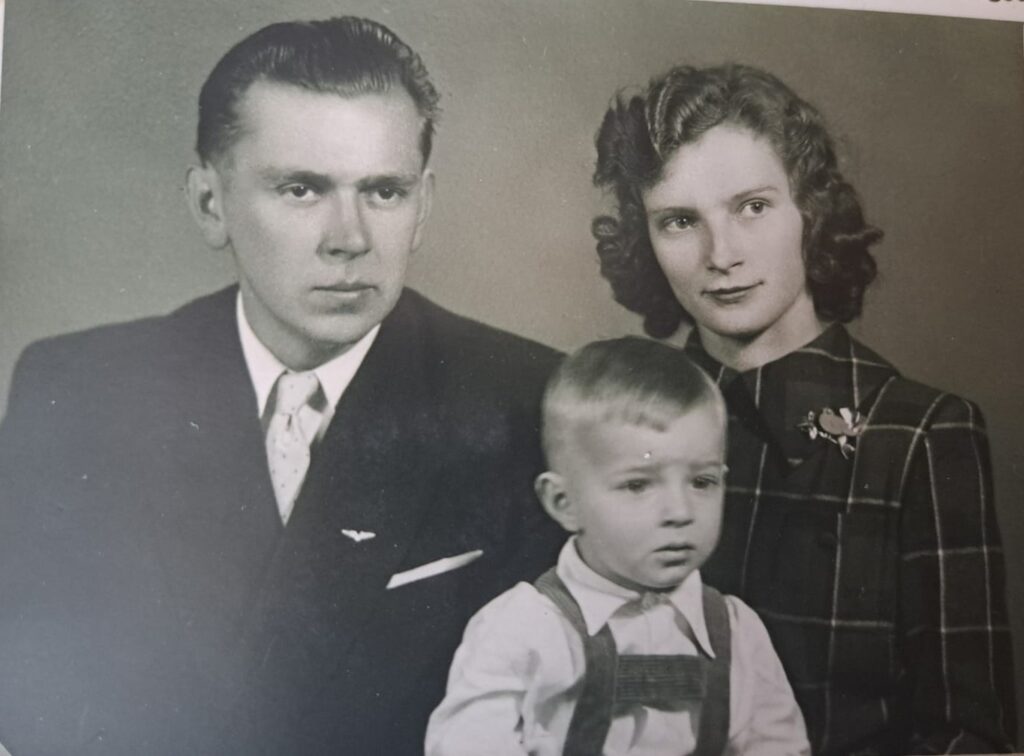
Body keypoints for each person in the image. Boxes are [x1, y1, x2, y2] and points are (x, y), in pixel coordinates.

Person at [0, 16, 564, 754]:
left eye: (384, 192)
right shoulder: (79, 392)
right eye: (301, 189)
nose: (349, 238)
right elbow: (30, 706)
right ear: (211, 204)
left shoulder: (533, 402)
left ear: (423, 206)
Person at [590, 63, 1016, 755]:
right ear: (647, 240)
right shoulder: (615, 421)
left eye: (752, 207)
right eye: (680, 221)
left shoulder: (921, 435)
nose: (721, 254)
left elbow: (967, 739)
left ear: (810, 213)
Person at [426, 337, 810, 756]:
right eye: (638, 485)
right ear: (564, 503)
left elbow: (779, 746)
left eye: (702, 481)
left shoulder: (735, 630)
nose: (680, 511)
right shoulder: (524, 627)